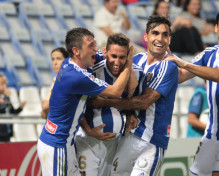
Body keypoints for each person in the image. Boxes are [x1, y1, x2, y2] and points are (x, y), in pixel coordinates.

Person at [166, 7, 219, 176]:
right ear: (216, 28)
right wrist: (161, 63)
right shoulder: (208, 53)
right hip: (212, 131)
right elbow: (181, 76)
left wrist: (183, 63)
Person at [37, 27, 133, 176]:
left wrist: (88, 129)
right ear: (76, 51)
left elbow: (76, 107)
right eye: (91, 46)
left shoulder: (71, 62)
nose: (95, 49)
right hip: (56, 146)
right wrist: (129, 59)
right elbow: (116, 92)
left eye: (95, 44)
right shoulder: (77, 77)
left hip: (65, 143)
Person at [90, 15, 179, 176]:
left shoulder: (168, 66)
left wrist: (102, 103)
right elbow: (127, 92)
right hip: (130, 135)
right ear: (146, 37)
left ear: (169, 40)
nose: (160, 38)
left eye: (165, 34)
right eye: (155, 33)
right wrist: (129, 113)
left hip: (151, 141)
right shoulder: (136, 60)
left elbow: (144, 102)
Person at [75, 33, 144, 176]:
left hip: (114, 142)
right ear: (105, 52)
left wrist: (130, 113)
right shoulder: (92, 69)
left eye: (122, 57)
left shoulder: (136, 72)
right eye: (113, 56)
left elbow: (132, 95)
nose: (117, 62)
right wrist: (88, 130)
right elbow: (76, 104)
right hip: (88, 139)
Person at [41, 47, 69, 119]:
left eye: (59, 59)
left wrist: (45, 110)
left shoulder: (65, 79)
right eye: (53, 59)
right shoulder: (56, 79)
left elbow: (45, 106)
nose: (55, 63)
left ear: (67, 61)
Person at [0, 74, 26, 142]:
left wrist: (20, 107)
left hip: (7, 132)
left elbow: (12, 112)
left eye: (5, 84)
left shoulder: (5, 98)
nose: (5, 86)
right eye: (2, 84)